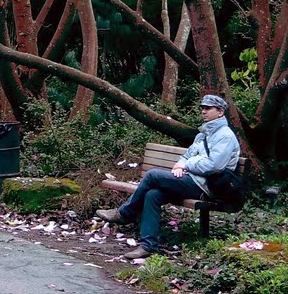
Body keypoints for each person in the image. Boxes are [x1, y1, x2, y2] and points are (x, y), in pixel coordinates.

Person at [96, 94, 240, 259]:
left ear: (220, 112)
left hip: (207, 187)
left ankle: (125, 214)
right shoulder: (203, 134)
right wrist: (179, 165)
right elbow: (187, 156)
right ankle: (148, 246)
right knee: (153, 195)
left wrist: (186, 165)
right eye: (202, 108)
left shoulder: (225, 136)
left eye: (208, 108)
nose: (204, 111)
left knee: (152, 175)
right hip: (191, 180)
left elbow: (215, 165)